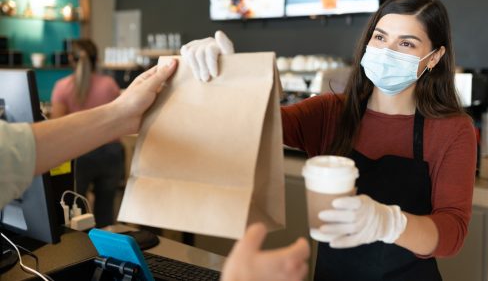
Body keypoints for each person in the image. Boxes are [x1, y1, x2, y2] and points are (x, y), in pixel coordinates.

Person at [180, 0, 477, 280]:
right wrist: (227, 74)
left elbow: (452, 234)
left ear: (435, 57)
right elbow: (257, 127)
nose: (387, 52)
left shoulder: (452, 129)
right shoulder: (329, 112)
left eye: (406, 43)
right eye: (381, 37)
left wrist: (389, 223)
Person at [0, 59, 310, 281]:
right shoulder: (107, 84)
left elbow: (16, 152)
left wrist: (225, 76)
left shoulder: (63, 88)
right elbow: (16, 153)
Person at [51, 39, 123, 227]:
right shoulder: (109, 84)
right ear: (96, 59)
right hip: (111, 151)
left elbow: (56, 126)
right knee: (106, 213)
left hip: (79, 154)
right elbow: (120, 119)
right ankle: (106, 254)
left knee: (77, 213)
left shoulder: (62, 87)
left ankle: (82, 252)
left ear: (70, 59)